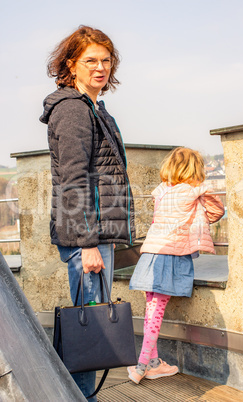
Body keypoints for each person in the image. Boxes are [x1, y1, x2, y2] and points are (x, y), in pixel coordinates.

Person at [40, 25, 135, 400]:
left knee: (90, 328)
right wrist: (88, 243)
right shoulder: (73, 110)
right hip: (88, 240)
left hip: (96, 236)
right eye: (90, 60)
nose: (100, 68)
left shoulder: (94, 108)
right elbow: (73, 180)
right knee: (88, 333)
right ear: (71, 65)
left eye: (106, 60)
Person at [128, 147, 225, 384]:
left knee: (151, 309)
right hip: (170, 256)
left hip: (151, 254)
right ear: (195, 170)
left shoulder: (162, 191)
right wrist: (204, 194)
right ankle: (141, 366)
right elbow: (216, 212)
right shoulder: (194, 191)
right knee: (156, 313)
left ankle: (153, 363)